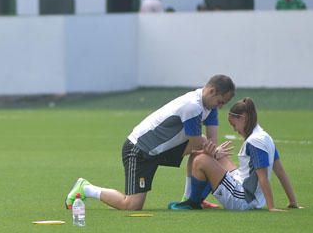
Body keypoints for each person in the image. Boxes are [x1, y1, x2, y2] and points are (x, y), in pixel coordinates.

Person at [64, 74, 236, 212]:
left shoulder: (209, 106)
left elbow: (210, 142)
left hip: (160, 148)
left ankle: (191, 200)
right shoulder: (193, 106)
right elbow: (197, 141)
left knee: (201, 152)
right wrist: (213, 151)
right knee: (132, 205)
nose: (220, 107)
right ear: (212, 91)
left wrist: (213, 150)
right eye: (221, 102)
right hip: (139, 150)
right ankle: (86, 188)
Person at [169, 97, 301, 211]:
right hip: (244, 188)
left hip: (242, 199)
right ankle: (194, 199)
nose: (234, 129)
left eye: (234, 125)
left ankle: (193, 203)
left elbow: (263, 177)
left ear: (243, 118)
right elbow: (281, 172)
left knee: (201, 159)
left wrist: (271, 207)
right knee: (215, 155)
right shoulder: (265, 137)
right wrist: (293, 202)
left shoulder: (255, 142)